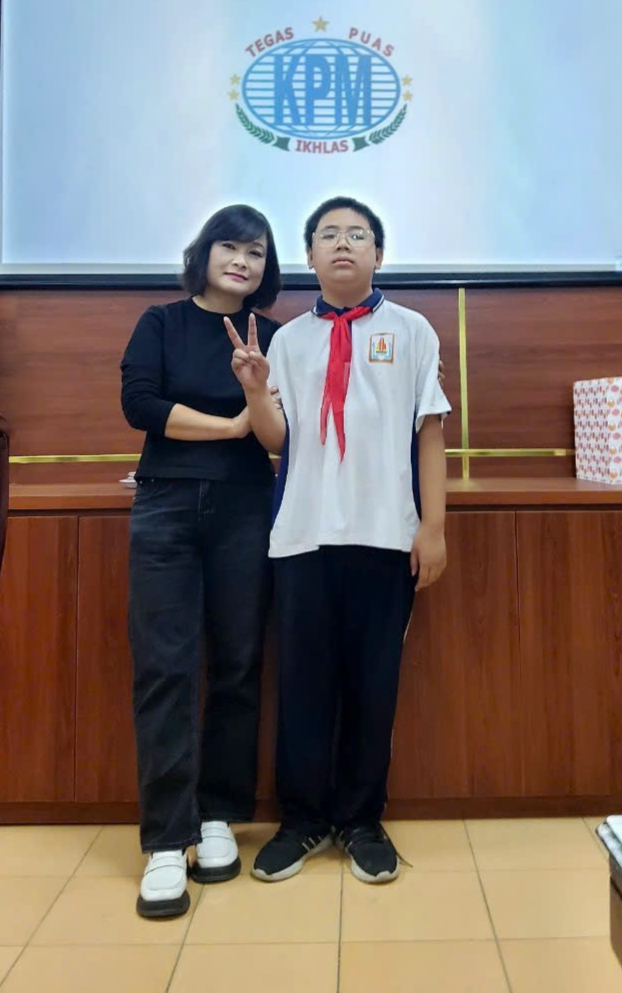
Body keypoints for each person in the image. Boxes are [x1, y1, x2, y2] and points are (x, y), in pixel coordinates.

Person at [226, 196, 451, 885]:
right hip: (303, 537)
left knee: (373, 684)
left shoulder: (412, 330)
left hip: (387, 538)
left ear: (379, 253)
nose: (343, 243)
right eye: (329, 234)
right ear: (310, 256)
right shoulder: (288, 341)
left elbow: (430, 433)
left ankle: (360, 819)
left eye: (358, 234)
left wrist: (434, 528)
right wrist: (257, 391)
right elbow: (277, 440)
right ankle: (302, 819)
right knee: (302, 684)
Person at [120, 204, 281, 918]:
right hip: (166, 505)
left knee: (239, 662)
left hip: (247, 508)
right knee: (165, 666)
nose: (242, 261)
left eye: (256, 252)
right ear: (205, 252)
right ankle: (166, 837)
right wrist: (231, 425)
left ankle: (218, 813)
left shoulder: (273, 336)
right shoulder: (160, 321)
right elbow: (140, 405)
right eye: (230, 246)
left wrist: (255, 393)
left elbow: (278, 435)